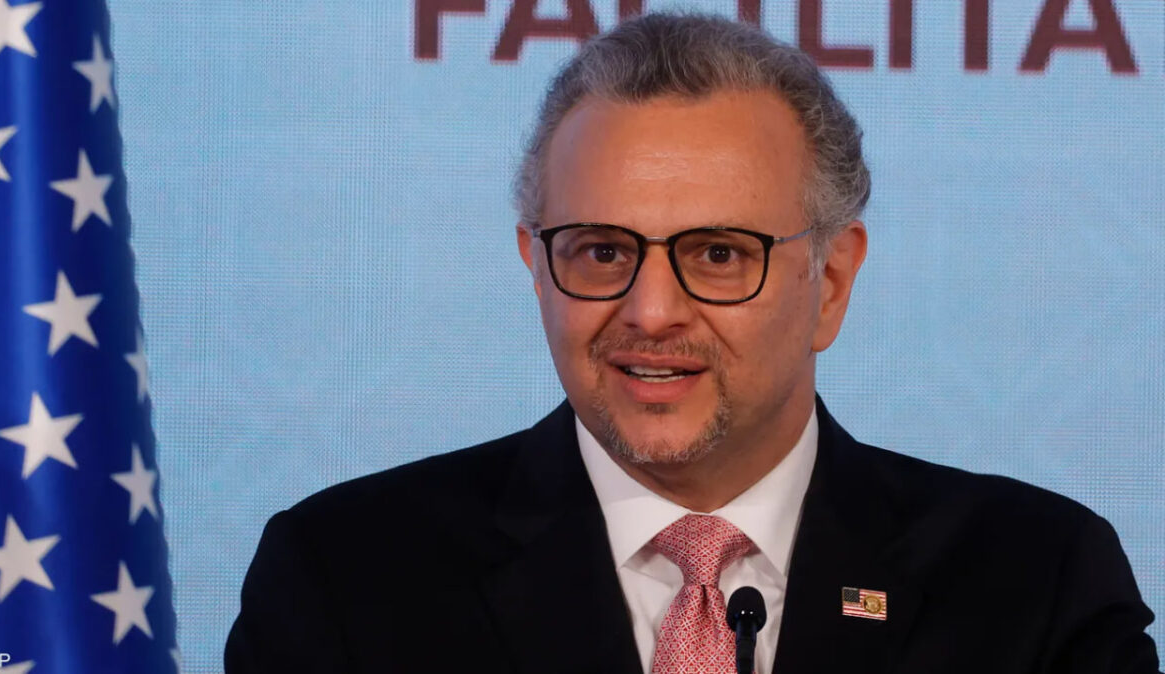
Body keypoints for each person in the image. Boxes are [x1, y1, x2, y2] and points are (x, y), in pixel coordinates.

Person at [225, 12, 1159, 673]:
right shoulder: (347, 577)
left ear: (831, 283)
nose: (651, 311)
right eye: (601, 251)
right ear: (536, 267)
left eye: (718, 254)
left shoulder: (1034, 584)